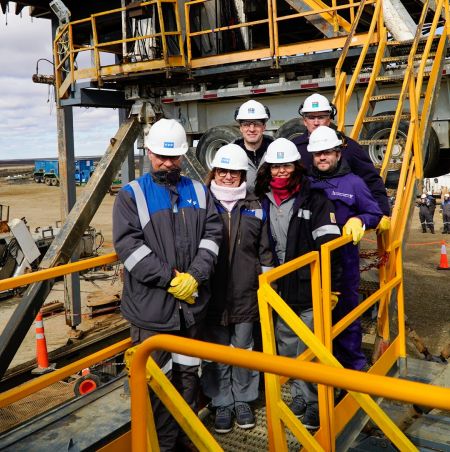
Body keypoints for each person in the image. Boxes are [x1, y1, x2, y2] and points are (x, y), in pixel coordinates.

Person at [113, 118, 222, 450]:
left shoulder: (199, 192)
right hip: (152, 314)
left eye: (173, 157)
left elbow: (213, 236)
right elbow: (129, 248)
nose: (167, 163)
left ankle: (188, 440)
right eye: (161, 155)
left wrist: (196, 276)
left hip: (190, 311)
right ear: (148, 152)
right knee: (156, 385)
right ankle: (163, 445)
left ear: (183, 157)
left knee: (189, 378)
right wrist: (171, 279)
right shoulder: (132, 195)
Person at [254, 137, 342, 430]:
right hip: (278, 287)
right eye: (275, 166)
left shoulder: (315, 200)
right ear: (268, 169)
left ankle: (316, 403)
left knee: (312, 347)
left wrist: (332, 286)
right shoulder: (261, 199)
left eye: (286, 165)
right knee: (288, 345)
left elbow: (330, 248)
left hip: (307, 287)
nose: (280, 171)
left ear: (296, 167)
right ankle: (299, 396)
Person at [201, 143, 274, 434]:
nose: (228, 177)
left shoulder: (255, 205)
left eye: (234, 172)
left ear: (243, 174)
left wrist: (266, 288)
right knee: (216, 351)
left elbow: (265, 250)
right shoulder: (203, 203)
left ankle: (243, 400)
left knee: (244, 349)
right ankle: (221, 403)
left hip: (246, 293)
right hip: (212, 294)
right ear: (214, 172)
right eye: (222, 171)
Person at [308, 126, 383, 371]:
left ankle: (353, 371)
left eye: (327, 152)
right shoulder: (305, 183)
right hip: (311, 266)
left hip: (345, 265)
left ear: (338, 154)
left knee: (347, 319)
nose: (322, 157)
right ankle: (322, 372)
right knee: (312, 322)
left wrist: (360, 220)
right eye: (318, 153)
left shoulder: (354, 183)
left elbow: (374, 211)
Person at [292, 93, 391, 226]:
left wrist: (382, 213)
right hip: (306, 221)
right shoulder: (294, 148)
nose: (316, 122)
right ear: (304, 121)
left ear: (329, 119)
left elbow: (371, 179)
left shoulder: (348, 147)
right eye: (311, 117)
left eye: (321, 117)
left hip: (342, 223)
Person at [233, 99, 273, 190]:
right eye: (246, 124)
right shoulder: (231, 154)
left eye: (257, 124)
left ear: (264, 127)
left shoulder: (276, 150)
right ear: (241, 128)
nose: (251, 129)